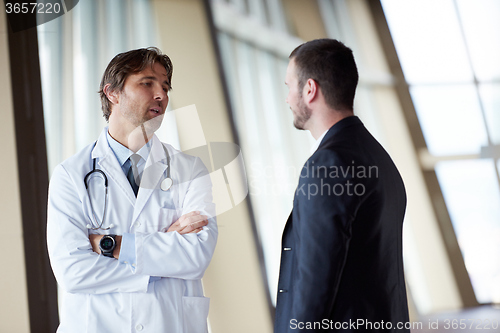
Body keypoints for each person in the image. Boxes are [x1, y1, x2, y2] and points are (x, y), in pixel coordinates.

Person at [47, 47, 217, 333]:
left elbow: (196, 255)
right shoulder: (71, 175)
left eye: (165, 86)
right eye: (147, 83)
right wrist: (163, 252)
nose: (161, 95)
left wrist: (110, 244)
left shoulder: (190, 170)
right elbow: (73, 272)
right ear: (112, 93)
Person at [275, 39, 410, 332]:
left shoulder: (328, 165)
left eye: (289, 86)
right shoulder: (377, 156)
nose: (287, 98)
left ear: (309, 90)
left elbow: (315, 281)